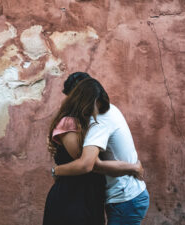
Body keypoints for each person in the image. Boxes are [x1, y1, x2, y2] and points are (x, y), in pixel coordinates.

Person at [43, 76, 144, 225]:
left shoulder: (93, 120)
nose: (97, 111)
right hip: (74, 199)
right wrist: (133, 167)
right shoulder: (68, 123)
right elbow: (88, 164)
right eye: (95, 104)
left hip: (90, 197)